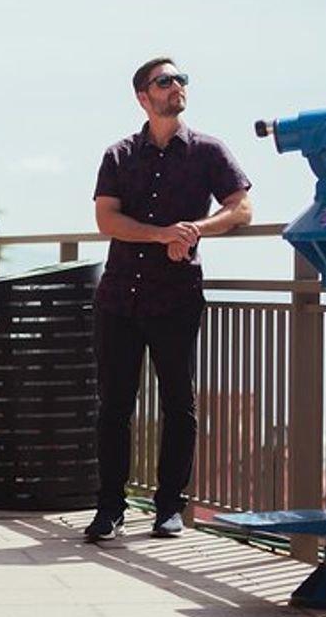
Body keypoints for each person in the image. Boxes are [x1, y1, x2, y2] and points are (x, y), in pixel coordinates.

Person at [85, 57, 252, 542]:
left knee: (180, 404)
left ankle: (168, 509)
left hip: (176, 297)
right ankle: (109, 509)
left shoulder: (207, 151)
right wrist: (161, 235)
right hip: (118, 297)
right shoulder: (118, 154)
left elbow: (241, 207)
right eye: (165, 81)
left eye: (181, 79)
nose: (176, 86)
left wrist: (194, 230)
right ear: (143, 96)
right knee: (114, 406)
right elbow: (107, 220)